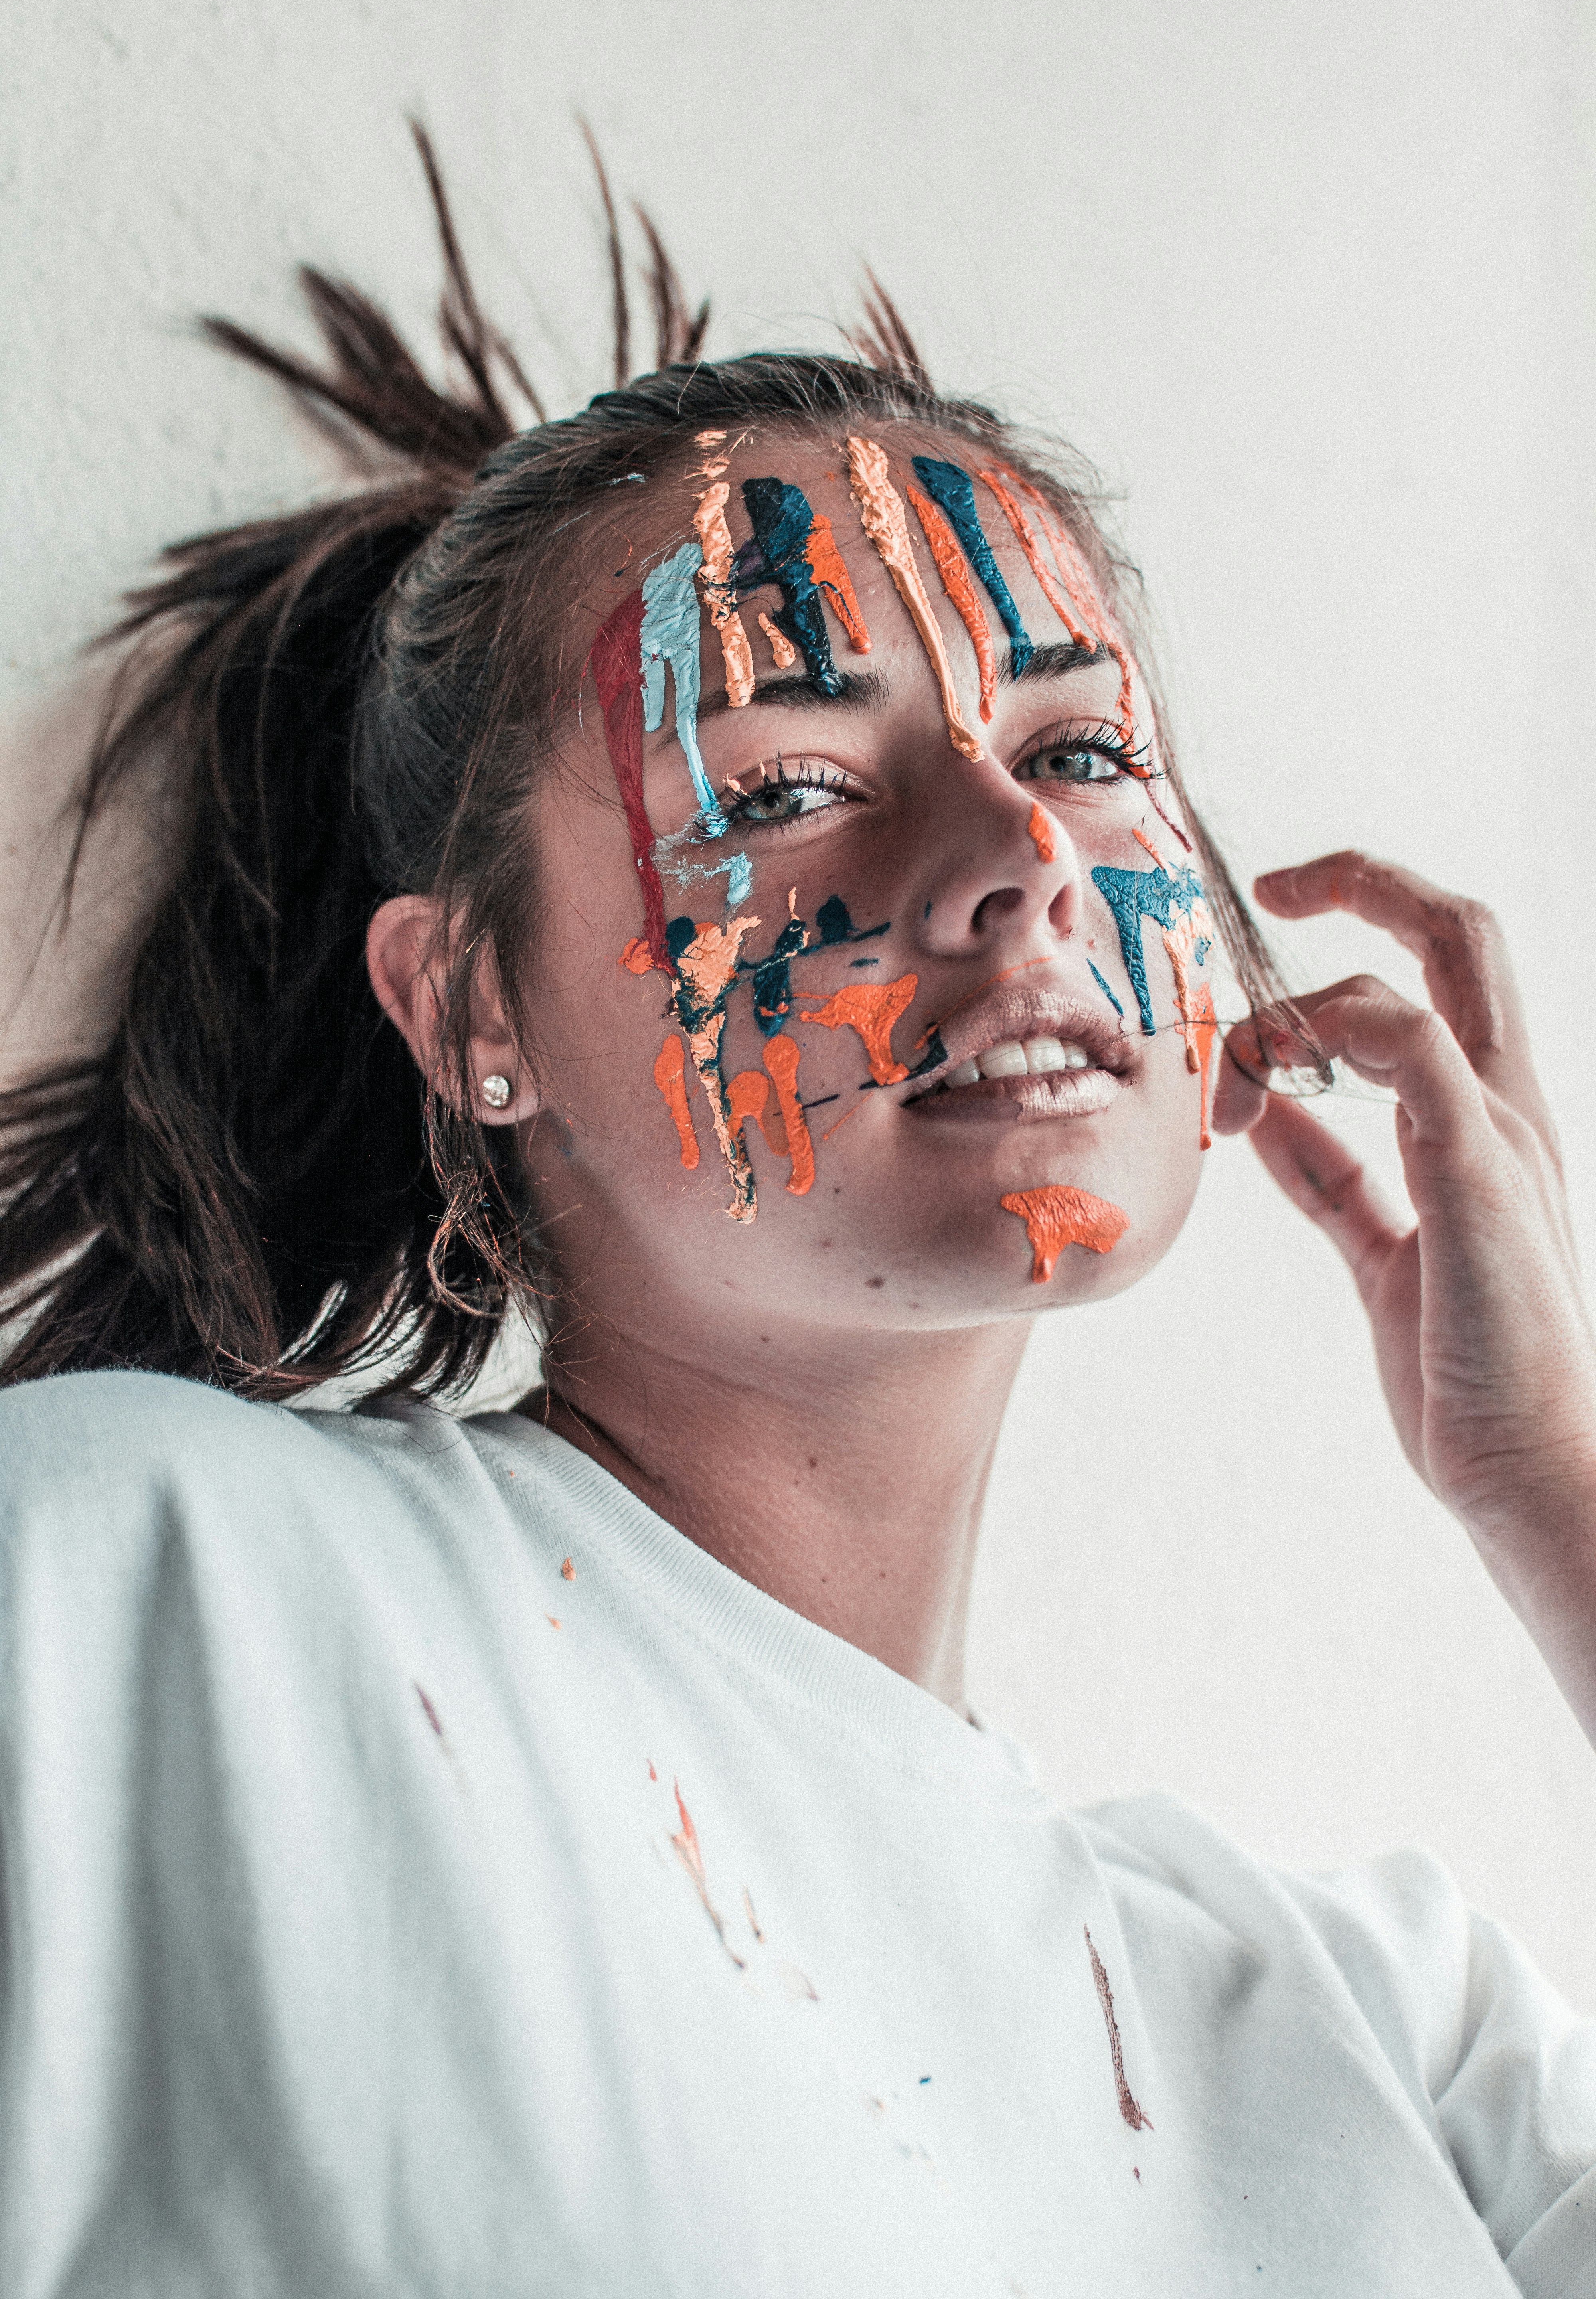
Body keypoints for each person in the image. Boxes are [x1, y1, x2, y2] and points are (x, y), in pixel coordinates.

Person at [1, 135, 1592, 2297]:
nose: (1018, 849)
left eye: (1087, 750)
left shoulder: (1394, 2033)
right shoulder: (144, 1587)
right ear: (471, 1007)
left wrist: (1554, 1489)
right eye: (785, 790)